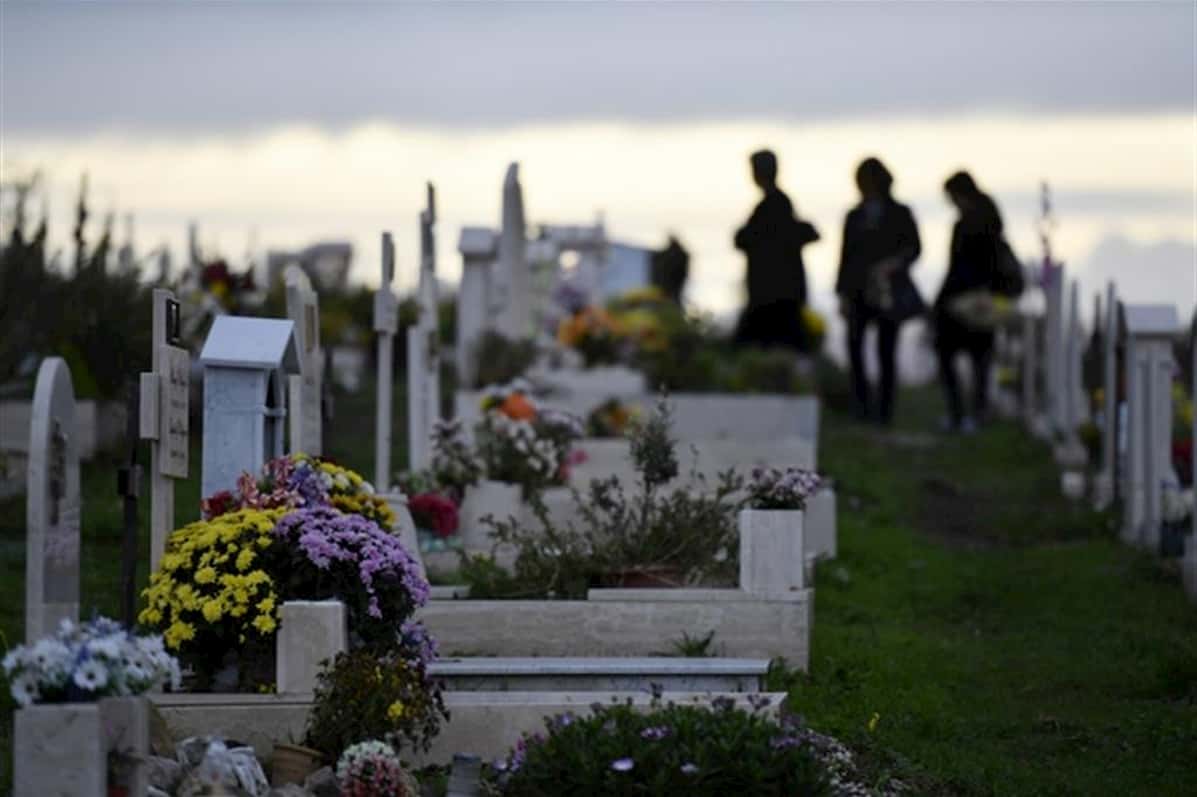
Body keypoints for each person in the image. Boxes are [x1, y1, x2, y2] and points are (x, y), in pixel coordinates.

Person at [835, 157, 922, 425]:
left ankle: (884, 411)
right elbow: (845, 257)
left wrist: (893, 265)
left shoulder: (900, 213)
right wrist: (842, 293)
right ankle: (861, 407)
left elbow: (914, 248)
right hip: (859, 292)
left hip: (889, 293)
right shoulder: (854, 215)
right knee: (855, 348)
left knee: (887, 350)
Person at [934, 170, 1005, 433]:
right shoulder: (992, 220)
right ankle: (976, 413)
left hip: (963, 300)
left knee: (952, 356)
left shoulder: (967, 225)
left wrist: (944, 299)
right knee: (980, 362)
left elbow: (958, 266)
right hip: (985, 298)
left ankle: (959, 413)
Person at [733, 149, 819, 350]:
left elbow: (749, 239)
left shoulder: (774, 205)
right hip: (778, 295)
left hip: (773, 296)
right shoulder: (774, 204)